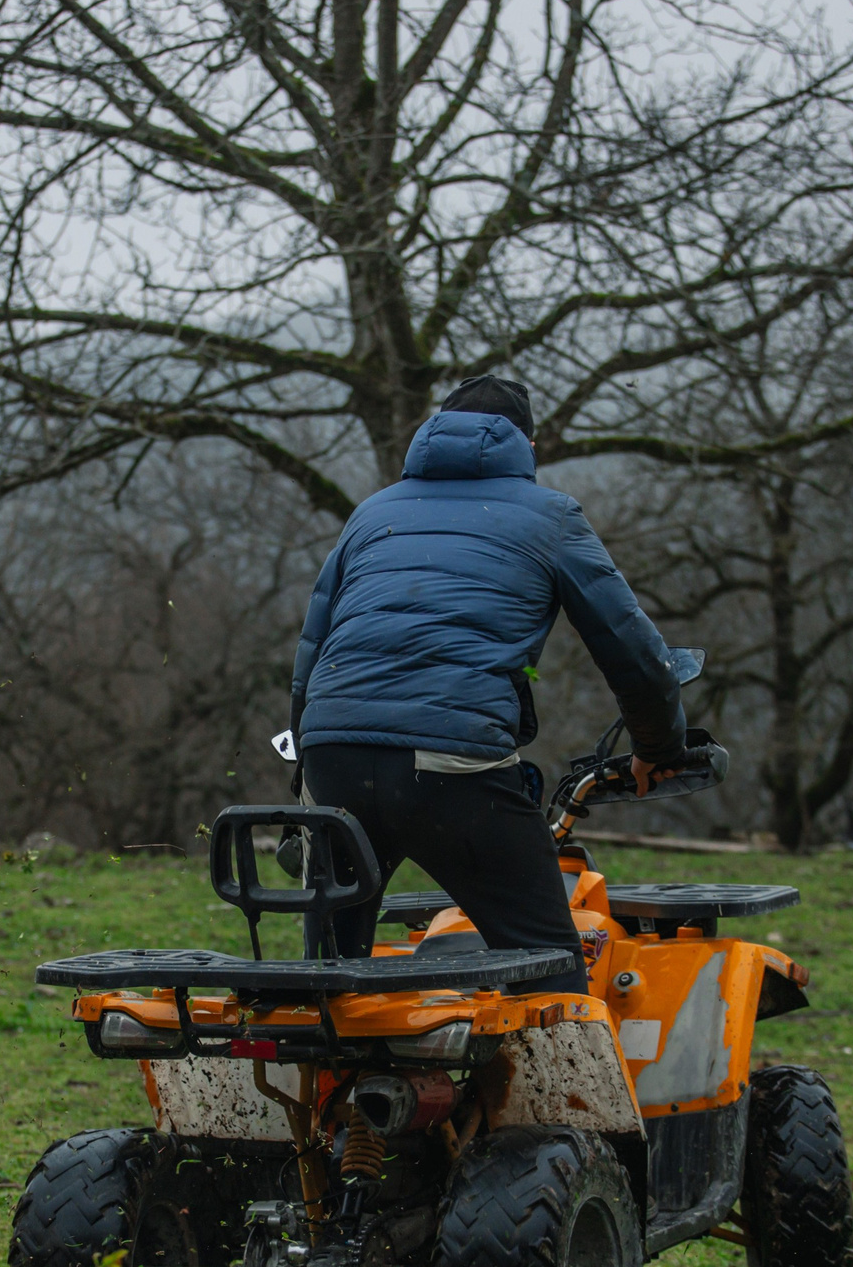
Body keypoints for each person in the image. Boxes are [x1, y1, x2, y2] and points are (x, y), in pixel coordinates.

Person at [289, 374, 691, 992]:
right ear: (527, 448)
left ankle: (335, 1084)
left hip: (332, 756)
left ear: (429, 435)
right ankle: (563, 1084)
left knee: (332, 982)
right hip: (452, 769)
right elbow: (634, 654)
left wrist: (307, 768)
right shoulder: (552, 516)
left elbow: (311, 655)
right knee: (549, 974)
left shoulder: (371, 511)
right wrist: (660, 749)